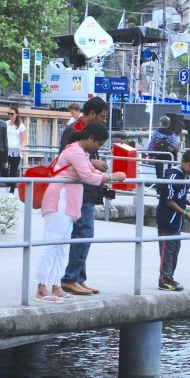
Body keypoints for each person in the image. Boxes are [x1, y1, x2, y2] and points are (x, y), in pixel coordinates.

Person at [36, 122, 121, 302]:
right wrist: (113, 177)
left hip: (69, 200)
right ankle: (42, 287)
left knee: (62, 243)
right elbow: (89, 176)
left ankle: (56, 285)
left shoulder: (82, 152)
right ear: (90, 138)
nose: (98, 148)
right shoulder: (75, 151)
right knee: (52, 243)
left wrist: (103, 178)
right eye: (98, 144)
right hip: (59, 198)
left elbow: (91, 172)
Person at [59, 96, 109, 295]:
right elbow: (67, 156)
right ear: (93, 114)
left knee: (85, 235)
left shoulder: (88, 132)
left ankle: (78, 277)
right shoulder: (74, 131)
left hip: (87, 189)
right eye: (102, 117)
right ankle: (71, 278)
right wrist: (93, 164)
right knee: (83, 234)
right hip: (78, 190)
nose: (104, 120)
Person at [156, 148, 190, 291]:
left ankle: (169, 277)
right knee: (166, 251)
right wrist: (185, 213)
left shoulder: (185, 176)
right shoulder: (173, 176)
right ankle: (164, 280)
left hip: (176, 222)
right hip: (167, 220)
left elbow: (179, 197)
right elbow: (169, 200)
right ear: (182, 162)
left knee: (174, 250)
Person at [147, 115, 180, 181]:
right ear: (168, 124)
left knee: (159, 175)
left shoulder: (156, 133)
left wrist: (150, 154)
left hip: (159, 157)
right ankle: (166, 188)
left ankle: (159, 188)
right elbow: (176, 146)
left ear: (161, 123)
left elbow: (151, 145)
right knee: (168, 175)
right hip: (169, 157)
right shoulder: (172, 134)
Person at [5, 107, 27, 186]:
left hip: (16, 151)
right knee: (4, 169)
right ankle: (8, 185)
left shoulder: (21, 125)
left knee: (13, 171)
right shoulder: (5, 124)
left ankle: (11, 191)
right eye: (9, 114)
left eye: (12, 114)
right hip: (6, 150)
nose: (10, 115)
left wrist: (22, 149)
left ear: (16, 114)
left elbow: (24, 139)